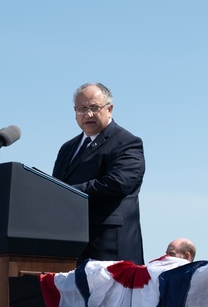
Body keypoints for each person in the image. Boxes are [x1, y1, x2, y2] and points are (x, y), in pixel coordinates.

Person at [53, 82, 145, 264]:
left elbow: (116, 184)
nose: (87, 114)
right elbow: (56, 186)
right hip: (70, 245)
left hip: (108, 249)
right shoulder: (68, 148)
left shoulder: (127, 142)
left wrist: (67, 193)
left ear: (109, 109)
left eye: (94, 108)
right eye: (81, 109)